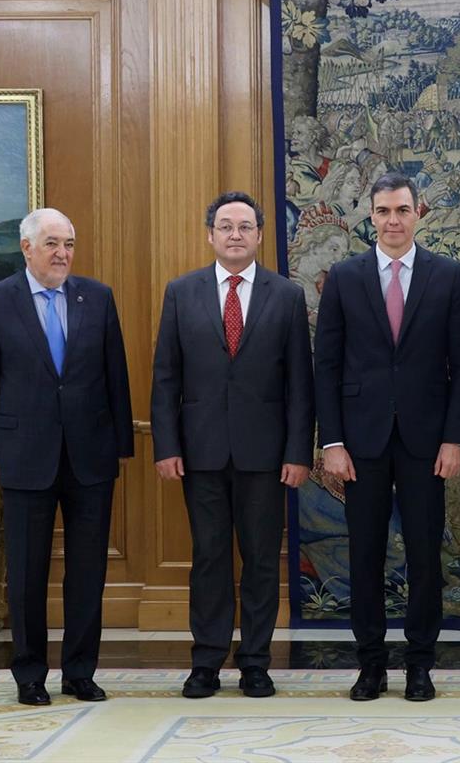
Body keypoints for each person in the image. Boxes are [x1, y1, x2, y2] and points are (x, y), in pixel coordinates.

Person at [315, 172, 460, 703]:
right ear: (371, 217)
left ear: (418, 212)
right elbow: (328, 366)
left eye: (401, 210)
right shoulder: (344, 276)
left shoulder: (447, 276)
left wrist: (454, 440)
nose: (392, 221)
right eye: (382, 212)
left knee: (426, 555)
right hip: (360, 443)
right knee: (366, 553)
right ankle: (370, 666)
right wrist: (331, 441)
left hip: (427, 442)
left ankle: (420, 665)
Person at [0, 207, 133, 706]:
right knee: (26, 572)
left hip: (91, 458)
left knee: (87, 571)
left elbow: (115, 377)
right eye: (53, 243)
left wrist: (121, 444)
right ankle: (30, 675)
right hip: (22, 456)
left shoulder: (96, 297)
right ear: (27, 248)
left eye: (70, 243)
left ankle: (81, 672)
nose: (63, 253)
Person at [151, 191, 314, 699]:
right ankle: (206, 662)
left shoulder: (286, 295)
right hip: (199, 453)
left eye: (245, 226)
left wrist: (297, 453)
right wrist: (166, 445)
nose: (236, 234)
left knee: (263, 560)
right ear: (211, 235)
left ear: (260, 235)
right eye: (226, 226)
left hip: (266, 457)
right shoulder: (182, 292)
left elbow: (299, 385)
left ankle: (256, 663)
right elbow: (165, 378)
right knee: (209, 557)